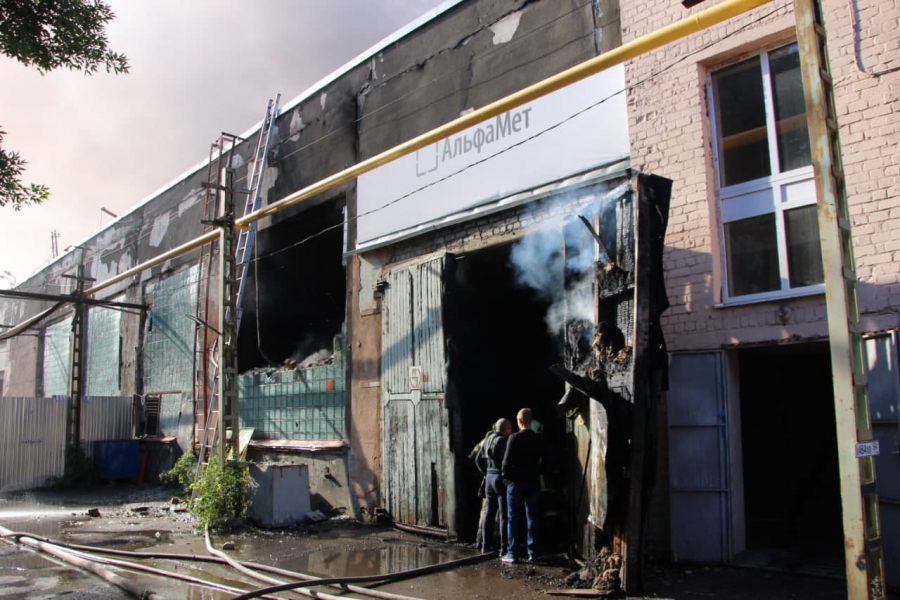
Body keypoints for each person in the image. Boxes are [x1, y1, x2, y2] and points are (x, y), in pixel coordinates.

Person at [501, 408, 541, 564]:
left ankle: (513, 553)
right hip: (533, 482)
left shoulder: (514, 438)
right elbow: (547, 459)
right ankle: (533, 553)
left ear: (519, 421)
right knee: (532, 518)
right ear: (531, 421)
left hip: (516, 483)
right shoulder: (538, 439)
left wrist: (507, 480)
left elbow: (505, 462)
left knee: (513, 518)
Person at [475, 418, 512, 555]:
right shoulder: (502, 441)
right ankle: (504, 548)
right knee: (503, 514)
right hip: (499, 479)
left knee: (489, 513)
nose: (511, 431)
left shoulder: (488, 439)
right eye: (510, 429)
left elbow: (477, 459)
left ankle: (485, 545)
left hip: (489, 479)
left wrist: (485, 473)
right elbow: (505, 462)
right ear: (505, 429)